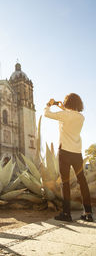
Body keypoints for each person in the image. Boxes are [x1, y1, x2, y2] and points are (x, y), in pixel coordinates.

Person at [44, 93, 93, 222]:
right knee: (82, 182)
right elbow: (70, 115)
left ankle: (66, 214)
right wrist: (63, 108)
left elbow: (47, 114)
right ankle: (88, 213)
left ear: (67, 103)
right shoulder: (81, 117)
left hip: (64, 152)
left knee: (65, 183)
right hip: (77, 153)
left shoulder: (64, 115)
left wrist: (49, 105)